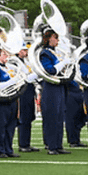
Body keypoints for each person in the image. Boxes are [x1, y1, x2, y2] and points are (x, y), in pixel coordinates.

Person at [36, 27, 70, 155]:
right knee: (52, 116)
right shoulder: (44, 53)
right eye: (55, 37)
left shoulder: (57, 52)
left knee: (60, 116)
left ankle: (58, 145)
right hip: (50, 86)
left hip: (59, 85)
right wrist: (63, 63)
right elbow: (49, 70)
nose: (58, 40)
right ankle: (51, 146)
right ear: (49, 38)